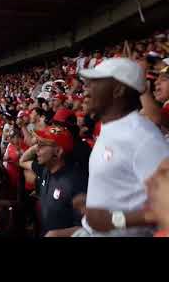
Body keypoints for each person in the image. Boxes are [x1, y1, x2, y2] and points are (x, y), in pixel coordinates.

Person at [72, 58, 169, 237]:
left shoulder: (143, 137)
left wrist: (114, 220)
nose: (87, 89)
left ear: (118, 90)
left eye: (96, 82)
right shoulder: (111, 127)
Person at [19, 125, 87, 237]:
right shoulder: (46, 169)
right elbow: (22, 161)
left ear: (58, 151)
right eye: (37, 145)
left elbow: (86, 228)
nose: (37, 148)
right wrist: (37, 145)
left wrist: (56, 234)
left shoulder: (76, 182)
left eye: (42, 145)